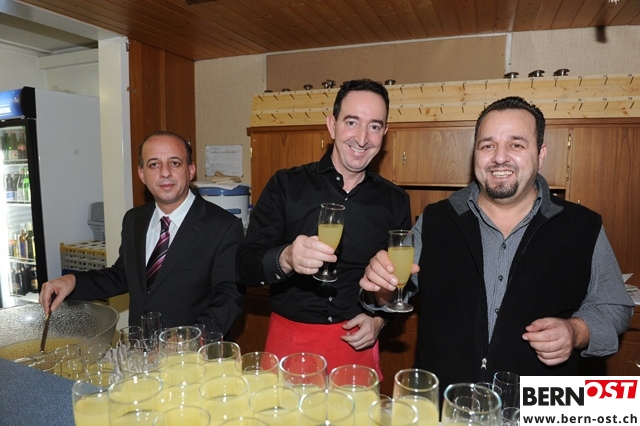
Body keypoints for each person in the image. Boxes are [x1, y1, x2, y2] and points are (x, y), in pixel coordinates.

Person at [360, 96, 635, 391]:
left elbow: (614, 308)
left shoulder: (583, 226)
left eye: (516, 144)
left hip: (536, 405)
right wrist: (381, 287)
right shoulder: (435, 219)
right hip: (444, 403)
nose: (500, 157)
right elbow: (391, 294)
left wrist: (576, 331)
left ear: (541, 154)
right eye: (487, 145)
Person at [237, 79, 411, 377]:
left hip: (355, 343)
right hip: (289, 342)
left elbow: (401, 282)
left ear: (384, 133)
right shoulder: (286, 185)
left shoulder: (395, 200)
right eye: (352, 122)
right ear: (332, 125)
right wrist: (286, 258)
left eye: (374, 126)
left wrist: (380, 320)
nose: (362, 138)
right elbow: (244, 266)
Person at [39, 131, 244, 336]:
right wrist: (72, 282)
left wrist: (190, 337)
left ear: (190, 170)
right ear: (141, 174)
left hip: (191, 352)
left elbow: (229, 297)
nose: (165, 172)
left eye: (174, 163)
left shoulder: (223, 227)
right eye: (154, 164)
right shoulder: (134, 220)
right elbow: (123, 275)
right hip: (140, 347)